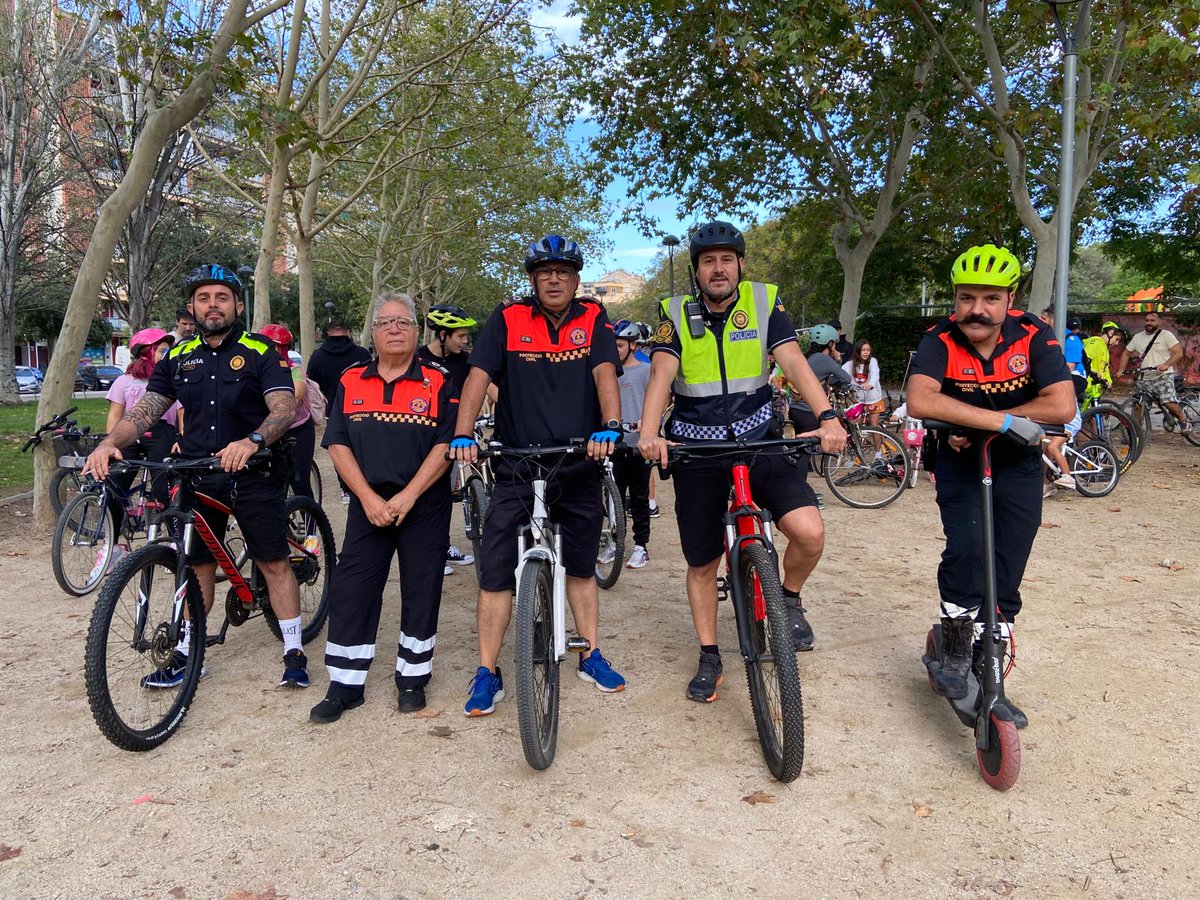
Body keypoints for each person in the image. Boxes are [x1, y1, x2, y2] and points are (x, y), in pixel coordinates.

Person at [638, 220, 846, 703]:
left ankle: (788, 599)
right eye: (708, 261)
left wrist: (828, 416)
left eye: (726, 260)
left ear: (740, 265)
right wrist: (649, 433)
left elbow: (792, 360)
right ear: (696, 270)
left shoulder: (763, 301)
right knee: (702, 561)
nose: (718, 268)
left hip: (759, 442)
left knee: (810, 532)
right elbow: (661, 376)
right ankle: (710, 653)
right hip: (697, 450)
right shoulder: (675, 312)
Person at [84, 264, 307, 688]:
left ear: (237, 305)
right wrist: (109, 442)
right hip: (196, 474)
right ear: (192, 307)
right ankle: (190, 651)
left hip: (252, 470)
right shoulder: (178, 356)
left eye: (222, 297)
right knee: (198, 565)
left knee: (273, 562)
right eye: (204, 298)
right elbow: (147, 410)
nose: (213, 305)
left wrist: (253, 440)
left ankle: (293, 649)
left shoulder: (261, 351)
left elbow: (283, 409)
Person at [449, 234, 626, 716]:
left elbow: (605, 373)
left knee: (583, 567)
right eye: (545, 271)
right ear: (532, 279)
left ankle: (591, 652)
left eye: (564, 271)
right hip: (516, 462)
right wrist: (464, 433)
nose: (555, 279)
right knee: (495, 573)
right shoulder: (507, 319)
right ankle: (487, 671)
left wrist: (610, 426)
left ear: (576, 279)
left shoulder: (592, 317)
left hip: (578, 459)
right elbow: (479, 377)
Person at [907, 244, 1075, 726]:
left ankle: (990, 652)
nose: (977, 309)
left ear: (1010, 297)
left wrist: (976, 419)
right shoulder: (938, 338)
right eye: (966, 297)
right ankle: (956, 648)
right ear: (954, 299)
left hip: (1018, 464)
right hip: (961, 461)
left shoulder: (1032, 335)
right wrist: (999, 423)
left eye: (989, 298)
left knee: (1009, 556)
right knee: (968, 549)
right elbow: (921, 400)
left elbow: (1060, 405)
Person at [309, 293, 457, 722]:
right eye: (385, 322)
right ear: (371, 333)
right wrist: (368, 498)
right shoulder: (351, 378)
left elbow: (445, 444)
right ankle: (345, 684)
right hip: (368, 505)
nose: (394, 329)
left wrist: (409, 494)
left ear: (416, 331)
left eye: (403, 322)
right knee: (353, 590)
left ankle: (412, 679)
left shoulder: (439, 380)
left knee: (421, 588)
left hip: (423, 504)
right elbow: (336, 442)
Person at [99, 329, 181, 572]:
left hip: (162, 434)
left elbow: (181, 413)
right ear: (146, 352)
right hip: (130, 436)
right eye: (162, 350)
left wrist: (182, 438)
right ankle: (112, 547)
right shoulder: (124, 381)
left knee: (163, 488)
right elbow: (115, 415)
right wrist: (110, 443)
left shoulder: (171, 380)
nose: (167, 355)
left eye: (168, 350)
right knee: (113, 487)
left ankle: (175, 542)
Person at [418, 304, 481, 571]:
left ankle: (441, 548)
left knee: (443, 495)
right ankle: (430, 553)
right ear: (442, 335)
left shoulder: (465, 361)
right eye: (461, 336)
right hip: (423, 437)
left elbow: (485, 387)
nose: (465, 340)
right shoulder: (417, 359)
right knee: (426, 494)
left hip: (454, 437)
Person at [307, 318, 372, 502]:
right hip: (362, 407)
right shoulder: (361, 354)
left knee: (339, 448)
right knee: (361, 447)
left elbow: (312, 385)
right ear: (348, 331)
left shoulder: (318, 356)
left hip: (331, 409)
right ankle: (364, 484)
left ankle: (346, 488)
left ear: (328, 333)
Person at [260, 324, 317, 499]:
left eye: (278, 346)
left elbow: (296, 396)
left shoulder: (295, 370)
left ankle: (311, 523)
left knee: (299, 481)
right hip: (266, 430)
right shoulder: (255, 370)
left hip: (297, 430)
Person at [612, 320, 652, 569]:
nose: (615, 350)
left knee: (639, 497)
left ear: (632, 345)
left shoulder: (645, 371)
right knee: (612, 498)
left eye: (619, 345)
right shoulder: (607, 372)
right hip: (614, 446)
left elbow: (660, 402)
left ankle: (641, 546)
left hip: (638, 445)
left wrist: (647, 423)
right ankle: (615, 544)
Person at [1114, 311, 1192, 433]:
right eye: (1147, 320)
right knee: (1138, 404)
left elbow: (1178, 352)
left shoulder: (1166, 335)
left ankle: (1184, 421)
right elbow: (1126, 353)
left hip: (1163, 375)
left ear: (1159, 322)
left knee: (1168, 402)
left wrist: (1166, 364)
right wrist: (1121, 370)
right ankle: (1135, 434)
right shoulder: (1138, 337)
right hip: (1145, 377)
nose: (1149, 323)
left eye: (1152, 320)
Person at [842, 339, 885, 445]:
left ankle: (877, 455)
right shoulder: (850, 364)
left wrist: (871, 384)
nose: (866, 352)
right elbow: (840, 373)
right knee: (854, 427)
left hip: (873, 399)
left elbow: (875, 374)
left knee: (874, 427)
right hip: (859, 399)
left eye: (868, 350)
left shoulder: (872, 362)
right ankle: (856, 454)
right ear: (857, 351)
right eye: (863, 350)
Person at [1040, 307, 1087, 400]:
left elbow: (1069, 367)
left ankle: (1074, 414)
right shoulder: (1046, 336)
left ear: (1054, 320)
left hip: (1075, 376)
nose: (1040, 321)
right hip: (1055, 375)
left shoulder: (1071, 339)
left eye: (1043, 319)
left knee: (1059, 393)